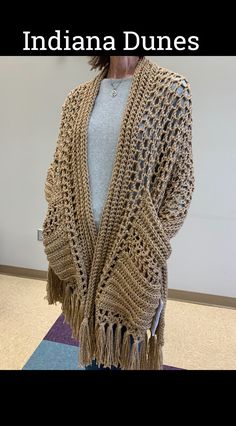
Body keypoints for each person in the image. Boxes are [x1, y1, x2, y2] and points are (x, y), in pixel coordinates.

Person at [43, 56, 195, 370]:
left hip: (134, 249)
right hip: (81, 244)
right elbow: (57, 170)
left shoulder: (172, 91)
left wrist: (151, 243)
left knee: (126, 345)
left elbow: (181, 180)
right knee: (92, 340)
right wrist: (61, 217)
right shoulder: (76, 99)